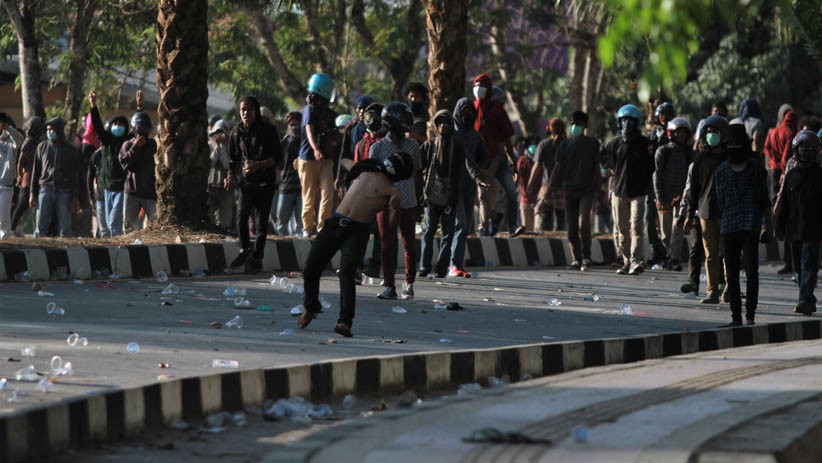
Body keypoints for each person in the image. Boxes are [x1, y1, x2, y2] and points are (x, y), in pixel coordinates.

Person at [298, 152, 414, 337]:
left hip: (357, 231)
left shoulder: (393, 191)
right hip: (336, 223)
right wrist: (344, 178)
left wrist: (396, 207)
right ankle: (311, 306)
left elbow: (392, 224)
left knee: (346, 274)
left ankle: (345, 322)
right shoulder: (365, 170)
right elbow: (343, 160)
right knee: (311, 268)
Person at [714, 124, 771, 326]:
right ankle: (736, 317)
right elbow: (719, 203)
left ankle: (750, 315)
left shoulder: (757, 170)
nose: (735, 148)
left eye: (739, 145)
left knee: (751, 272)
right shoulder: (720, 172)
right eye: (732, 145)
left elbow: (764, 201)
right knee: (732, 275)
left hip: (750, 227)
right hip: (729, 228)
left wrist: (769, 227)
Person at [418, 110, 486, 278]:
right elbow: (417, 165)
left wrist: (478, 178)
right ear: (435, 125)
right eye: (440, 122)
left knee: (447, 234)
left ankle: (441, 269)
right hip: (432, 197)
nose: (443, 126)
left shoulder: (458, 145)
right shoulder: (429, 145)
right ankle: (424, 267)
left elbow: (469, 163)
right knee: (428, 232)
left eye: (447, 122)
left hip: (451, 197)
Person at [369, 102, 421, 300]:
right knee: (386, 244)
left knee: (410, 245)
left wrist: (419, 198)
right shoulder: (377, 148)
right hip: (385, 204)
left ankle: (409, 283)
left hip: (408, 202)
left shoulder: (413, 145)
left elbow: (415, 172)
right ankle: (389, 286)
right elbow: (373, 177)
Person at [226, 95, 282, 272]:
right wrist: (230, 176)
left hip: (265, 182)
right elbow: (233, 158)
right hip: (246, 182)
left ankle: (257, 256)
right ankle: (244, 249)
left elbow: (278, 157)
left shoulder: (268, 130)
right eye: (242, 110)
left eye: (248, 109)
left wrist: (258, 165)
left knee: (261, 222)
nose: (245, 113)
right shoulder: (236, 131)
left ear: (255, 111)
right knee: (241, 216)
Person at [601, 104, 653, 275]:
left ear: (637, 123)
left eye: (630, 121)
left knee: (637, 227)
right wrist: (611, 168)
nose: (627, 124)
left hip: (638, 193)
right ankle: (626, 261)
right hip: (618, 192)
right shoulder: (614, 143)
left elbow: (653, 165)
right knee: (622, 230)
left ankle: (636, 261)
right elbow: (604, 158)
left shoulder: (645, 144)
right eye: (623, 121)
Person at [774, 131, 822, 316]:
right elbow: (783, 202)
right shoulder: (792, 174)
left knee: (808, 265)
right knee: (798, 268)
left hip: (814, 230)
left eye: (809, 148)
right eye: (802, 147)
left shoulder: (820, 175)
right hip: (794, 230)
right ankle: (808, 299)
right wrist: (777, 226)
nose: (805, 151)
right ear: (796, 150)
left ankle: (803, 300)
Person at [546, 110, 601, 271]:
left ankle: (586, 256)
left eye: (578, 123)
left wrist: (600, 189)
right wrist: (549, 189)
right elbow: (557, 168)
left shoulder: (593, 144)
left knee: (583, 222)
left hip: (587, 189)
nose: (575, 126)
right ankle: (576, 259)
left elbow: (596, 167)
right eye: (573, 123)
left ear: (585, 125)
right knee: (571, 226)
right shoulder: (564, 145)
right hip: (569, 190)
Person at [686, 115, 730, 304]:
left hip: (727, 213)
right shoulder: (700, 160)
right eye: (709, 132)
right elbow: (693, 190)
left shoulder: (731, 159)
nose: (711, 135)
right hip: (705, 212)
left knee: (728, 254)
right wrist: (689, 213)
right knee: (710, 255)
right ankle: (711, 291)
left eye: (715, 132)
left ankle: (730, 288)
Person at [472, 73, 518, 237]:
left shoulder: (497, 111)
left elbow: (507, 139)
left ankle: (512, 226)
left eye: (482, 86)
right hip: (481, 161)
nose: (479, 90)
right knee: (482, 196)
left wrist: (512, 161)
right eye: (476, 86)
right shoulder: (471, 109)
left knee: (511, 192)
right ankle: (485, 225)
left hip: (497, 159)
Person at [450, 98, 487, 277]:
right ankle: (452, 264)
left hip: (470, 184)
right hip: (452, 185)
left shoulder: (474, 135)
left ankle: (455, 263)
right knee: (460, 223)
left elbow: (482, 159)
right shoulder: (450, 133)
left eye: (471, 111)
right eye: (464, 111)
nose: (468, 115)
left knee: (465, 226)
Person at [298, 73, 337, 237]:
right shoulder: (309, 109)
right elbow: (309, 129)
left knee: (328, 191)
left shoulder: (329, 113)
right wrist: (315, 148)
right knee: (309, 195)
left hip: (326, 159)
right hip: (308, 158)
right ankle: (307, 227)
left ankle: (323, 228)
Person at [30, 117, 81, 237]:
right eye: (47, 129)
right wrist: (32, 193)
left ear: (59, 130)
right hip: (45, 189)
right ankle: (38, 248)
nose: (49, 132)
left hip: (63, 190)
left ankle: (67, 250)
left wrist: (74, 198)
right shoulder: (41, 147)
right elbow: (35, 172)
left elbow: (74, 177)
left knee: (65, 227)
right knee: (40, 226)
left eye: (52, 129)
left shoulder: (70, 150)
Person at [88, 91, 130, 236]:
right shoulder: (107, 141)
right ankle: (113, 249)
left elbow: (140, 128)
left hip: (120, 188)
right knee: (107, 223)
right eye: (115, 124)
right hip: (107, 188)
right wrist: (93, 106)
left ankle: (117, 250)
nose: (118, 126)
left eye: (121, 124)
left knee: (114, 222)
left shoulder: (127, 142)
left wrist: (139, 107)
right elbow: (98, 126)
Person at [654, 117, 693, 271]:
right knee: (665, 233)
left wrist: (683, 196)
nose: (681, 136)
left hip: (681, 198)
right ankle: (668, 255)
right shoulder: (662, 152)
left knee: (677, 228)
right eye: (678, 132)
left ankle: (673, 259)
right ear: (671, 133)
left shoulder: (690, 153)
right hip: (664, 197)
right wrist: (659, 197)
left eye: (683, 132)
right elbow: (657, 175)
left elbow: (691, 176)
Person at [764, 109, 798, 275]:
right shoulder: (791, 132)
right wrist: (784, 168)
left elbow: (766, 148)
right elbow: (787, 154)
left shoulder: (773, 132)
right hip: (785, 173)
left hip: (773, 171)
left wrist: (773, 162)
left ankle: (775, 231)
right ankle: (789, 260)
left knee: (776, 207)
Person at [645, 102, 676, 264]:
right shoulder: (652, 135)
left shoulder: (677, 135)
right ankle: (656, 251)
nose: (665, 119)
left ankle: (670, 254)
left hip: (669, 184)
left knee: (667, 223)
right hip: (652, 184)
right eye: (662, 115)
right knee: (649, 219)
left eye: (668, 115)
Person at [120, 111, 157, 231]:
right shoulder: (127, 145)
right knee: (128, 228)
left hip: (150, 194)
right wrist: (135, 147)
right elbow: (125, 164)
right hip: (132, 193)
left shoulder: (152, 145)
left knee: (155, 228)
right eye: (139, 127)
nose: (141, 131)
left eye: (144, 127)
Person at [531, 118, 567, 232]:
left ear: (549, 128)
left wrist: (529, 185)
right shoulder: (567, 144)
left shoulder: (544, 144)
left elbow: (536, 168)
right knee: (561, 216)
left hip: (546, 186)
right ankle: (560, 235)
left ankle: (544, 236)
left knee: (543, 214)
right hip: (563, 186)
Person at [11, 116, 44, 234]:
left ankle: (38, 230)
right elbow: (21, 162)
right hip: (28, 179)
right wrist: (19, 176)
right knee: (21, 206)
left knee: (38, 208)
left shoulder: (41, 143)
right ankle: (11, 228)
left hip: (38, 179)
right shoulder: (28, 142)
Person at [277, 111, 303, 236]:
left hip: (302, 188)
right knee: (281, 222)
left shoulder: (306, 142)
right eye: (292, 124)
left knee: (300, 224)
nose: (294, 127)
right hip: (286, 186)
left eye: (297, 124)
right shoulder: (285, 142)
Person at [207, 120, 234, 232]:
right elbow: (211, 162)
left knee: (225, 212)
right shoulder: (209, 146)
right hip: (211, 184)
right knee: (210, 211)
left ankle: (223, 230)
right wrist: (217, 147)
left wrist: (222, 148)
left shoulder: (231, 147)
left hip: (226, 185)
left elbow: (227, 164)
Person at [0, 112, 23, 239]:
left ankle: (4, 242)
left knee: (3, 218)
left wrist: (8, 128)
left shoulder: (11, 140)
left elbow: (20, 139)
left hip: (6, 185)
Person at [516, 144, 536, 232]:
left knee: (538, 228)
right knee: (527, 228)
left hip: (537, 198)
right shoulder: (522, 161)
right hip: (525, 198)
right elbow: (518, 175)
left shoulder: (539, 162)